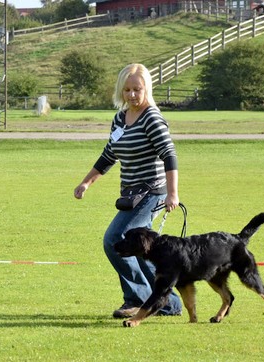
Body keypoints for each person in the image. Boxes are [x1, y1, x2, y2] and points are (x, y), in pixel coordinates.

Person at [73, 63, 183, 318]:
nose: (132, 95)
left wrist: (172, 193)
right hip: (131, 196)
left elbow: (169, 155)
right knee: (143, 248)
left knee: (116, 239)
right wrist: (87, 182)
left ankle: (137, 299)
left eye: (137, 89)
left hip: (153, 193)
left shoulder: (152, 118)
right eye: (127, 90)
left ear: (147, 89)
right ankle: (168, 302)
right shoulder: (120, 118)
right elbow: (109, 154)